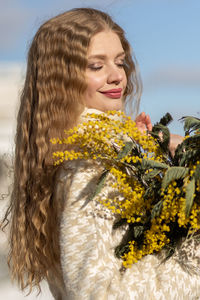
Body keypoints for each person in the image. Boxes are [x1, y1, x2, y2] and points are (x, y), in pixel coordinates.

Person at [2, 8, 200, 300]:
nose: (117, 76)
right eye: (96, 66)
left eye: (120, 62)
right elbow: (99, 295)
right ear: (61, 79)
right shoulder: (88, 166)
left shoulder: (98, 152)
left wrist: (165, 148)